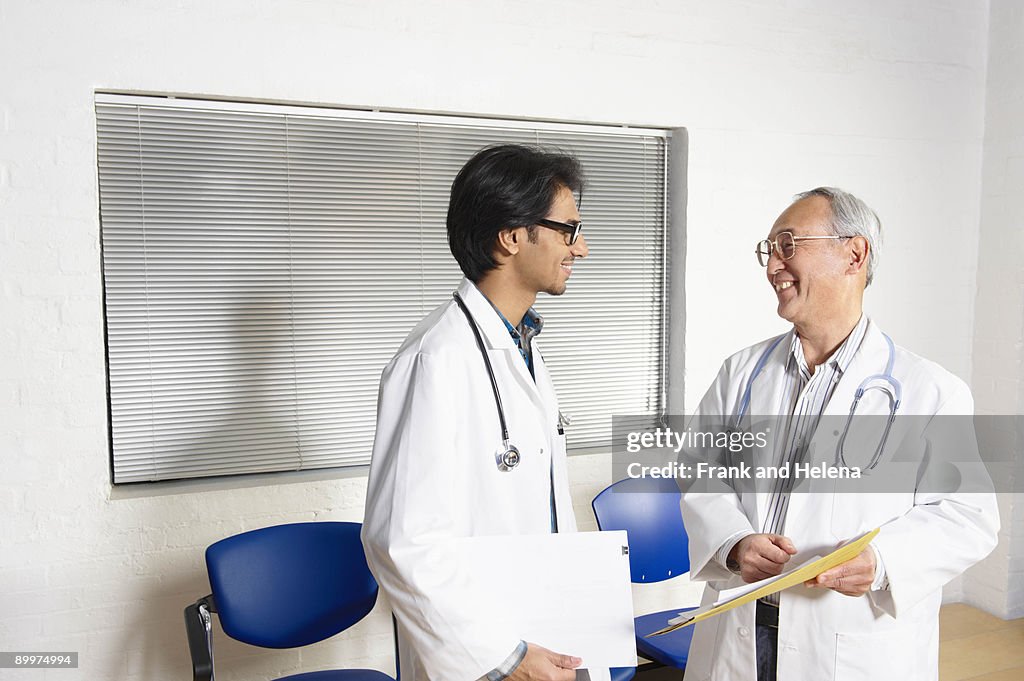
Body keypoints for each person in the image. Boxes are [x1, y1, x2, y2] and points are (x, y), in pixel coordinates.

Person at [679, 187, 999, 681]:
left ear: (854, 254)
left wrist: (884, 560)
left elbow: (968, 517)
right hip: (742, 626)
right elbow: (698, 469)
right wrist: (734, 540)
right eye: (768, 251)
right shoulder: (741, 372)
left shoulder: (931, 390)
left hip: (850, 642)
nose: (772, 267)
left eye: (788, 245)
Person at [362, 144, 591, 681]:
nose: (581, 249)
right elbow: (401, 541)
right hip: (491, 654)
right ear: (512, 236)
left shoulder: (523, 345)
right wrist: (502, 658)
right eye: (568, 230)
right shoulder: (436, 360)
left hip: (547, 628)